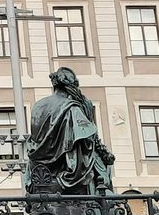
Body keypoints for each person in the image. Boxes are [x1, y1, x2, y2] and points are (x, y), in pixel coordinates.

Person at [25, 67, 114, 195]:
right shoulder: (72, 108)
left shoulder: (38, 106)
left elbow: (35, 139)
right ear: (71, 87)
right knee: (102, 173)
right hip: (67, 176)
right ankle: (103, 198)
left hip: (40, 172)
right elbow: (85, 138)